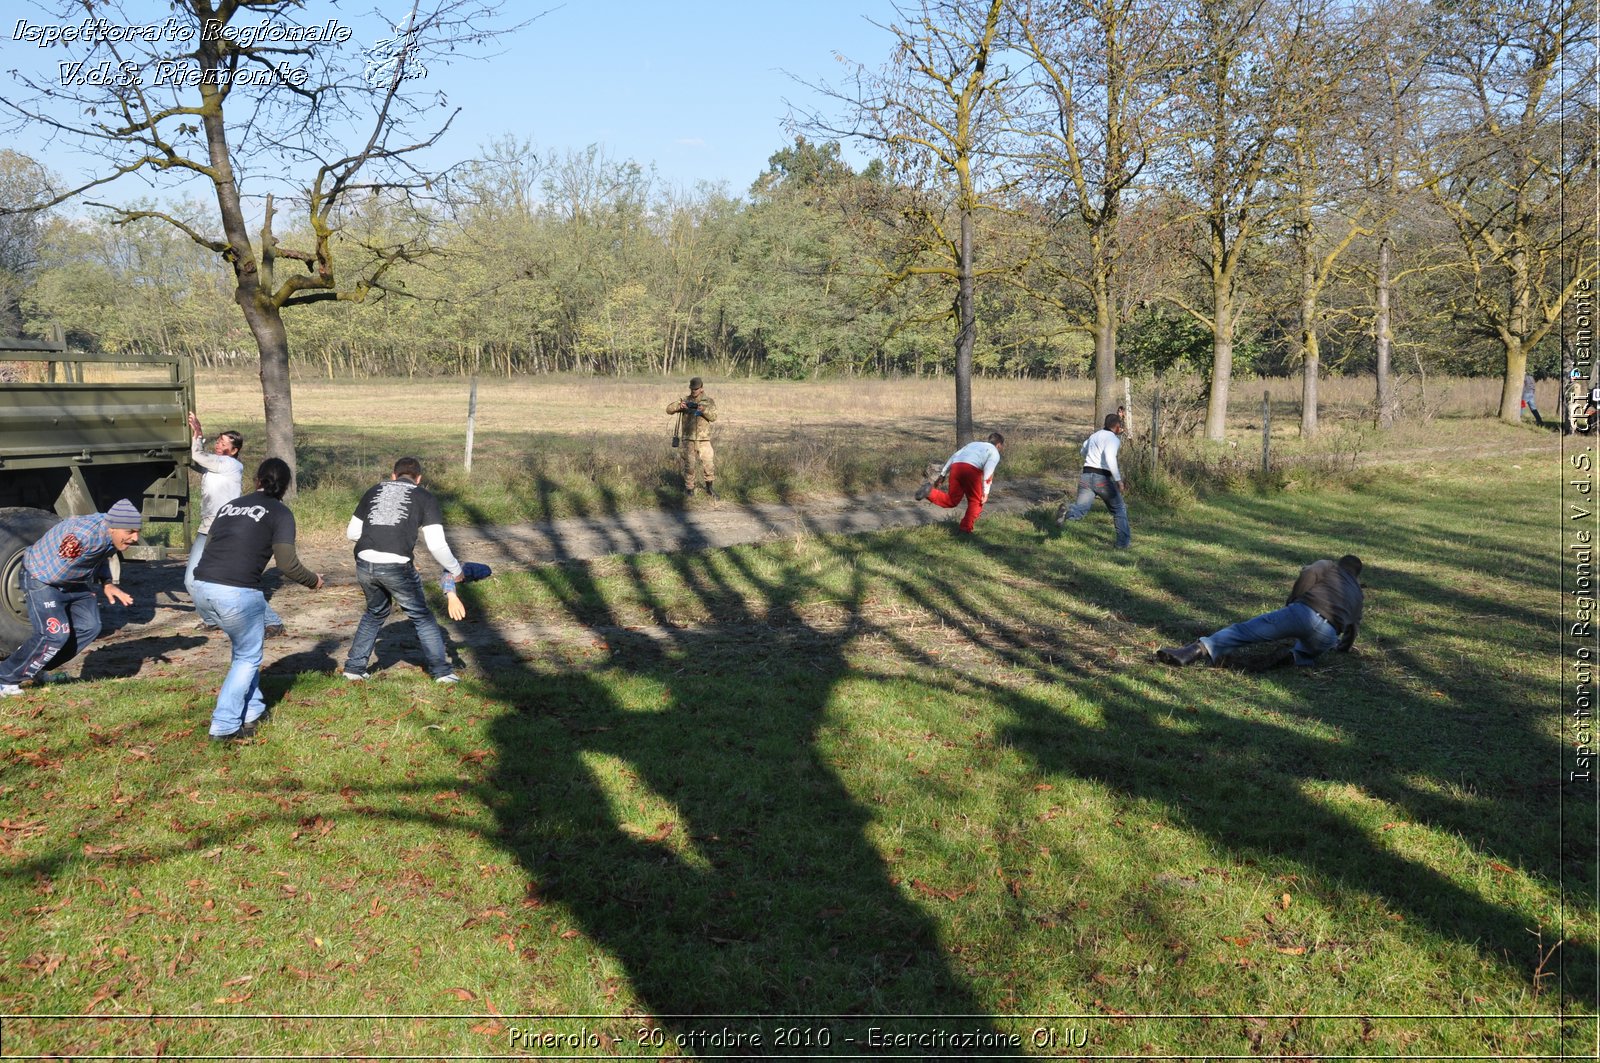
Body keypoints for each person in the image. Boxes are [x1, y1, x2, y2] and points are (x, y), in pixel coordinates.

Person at [191, 459, 323, 741]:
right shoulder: (280, 513)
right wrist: (313, 580)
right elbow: (287, 564)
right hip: (236, 591)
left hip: (202, 585)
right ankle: (225, 726)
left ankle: (253, 710)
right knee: (247, 659)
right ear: (285, 486)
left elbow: (210, 545)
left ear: (257, 479)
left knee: (243, 653)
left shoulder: (229, 507)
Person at [342, 457, 467, 684]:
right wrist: (455, 570)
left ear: (393, 475)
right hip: (396, 566)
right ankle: (442, 672)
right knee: (422, 617)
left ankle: (354, 669)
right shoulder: (425, 497)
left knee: (375, 612)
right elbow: (437, 545)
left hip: (363, 561)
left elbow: (352, 533)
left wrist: (378, 541)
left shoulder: (374, 490)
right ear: (419, 479)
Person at [0, 500, 141, 696]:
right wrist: (63, 601)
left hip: (73, 580)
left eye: (137, 531)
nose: (135, 538)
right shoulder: (81, 537)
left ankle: (32, 665)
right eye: (130, 532)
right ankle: (5, 678)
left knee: (90, 626)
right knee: (55, 633)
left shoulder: (111, 533)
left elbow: (101, 555)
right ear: (113, 527)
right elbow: (60, 568)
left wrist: (107, 582)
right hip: (42, 578)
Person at [1157, 555, 1364, 669]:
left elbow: (1309, 572)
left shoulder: (1329, 566)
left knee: (1244, 631)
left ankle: (1192, 652)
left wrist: (1294, 599)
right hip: (1327, 633)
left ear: (1340, 563)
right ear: (1357, 575)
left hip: (1304, 612)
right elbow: (1352, 630)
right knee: (1306, 652)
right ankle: (1292, 658)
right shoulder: (1358, 593)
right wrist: (1342, 649)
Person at [185, 412, 285, 636]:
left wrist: (198, 434)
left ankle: (273, 622)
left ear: (235, 449)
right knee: (192, 581)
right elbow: (196, 461)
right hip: (207, 528)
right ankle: (211, 619)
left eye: (223, 442)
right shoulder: (217, 465)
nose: (218, 444)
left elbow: (199, 457)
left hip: (226, 530)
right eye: (218, 441)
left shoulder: (230, 465)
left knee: (234, 583)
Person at [1057, 413, 1131, 549]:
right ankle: (1122, 544)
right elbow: (1110, 458)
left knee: (1081, 509)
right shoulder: (1113, 439)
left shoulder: (1095, 436)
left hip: (1086, 475)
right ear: (1117, 426)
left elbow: (1082, 451)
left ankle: (1068, 511)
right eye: (1120, 427)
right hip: (1101, 478)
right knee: (1119, 509)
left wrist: (1093, 458)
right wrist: (1118, 480)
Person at [916, 432, 1005, 534]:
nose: (1001, 449)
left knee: (952, 500)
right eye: (1002, 447)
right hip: (971, 470)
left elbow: (955, 456)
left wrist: (943, 474)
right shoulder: (994, 452)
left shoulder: (973, 444)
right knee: (976, 501)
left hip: (956, 467)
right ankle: (965, 529)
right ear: (999, 445)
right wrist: (986, 493)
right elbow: (988, 473)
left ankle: (930, 492)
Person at [667, 377, 718, 497]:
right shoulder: (684, 400)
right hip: (688, 439)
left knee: (709, 464)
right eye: (692, 389)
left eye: (696, 389)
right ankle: (689, 489)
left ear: (701, 388)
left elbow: (714, 417)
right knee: (689, 465)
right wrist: (679, 406)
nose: (694, 391)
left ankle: (709, 488)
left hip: (704, 439)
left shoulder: (708, 401)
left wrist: (703, 410)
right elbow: (668, 409)